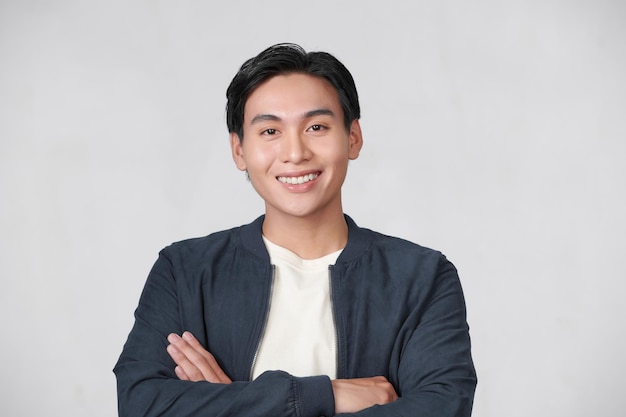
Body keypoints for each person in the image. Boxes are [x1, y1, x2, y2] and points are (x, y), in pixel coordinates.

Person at [114, 43, 477, 416]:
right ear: (239, 150)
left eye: (316, 127)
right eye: (270, 130)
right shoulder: (185, 271)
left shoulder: (422, 277)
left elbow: (442, 408)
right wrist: (324, 397)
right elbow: (142, 404)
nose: (295, 152)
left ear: (353, 137)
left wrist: (233, 404)